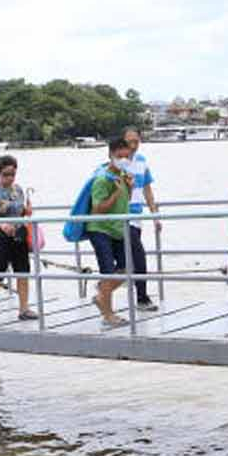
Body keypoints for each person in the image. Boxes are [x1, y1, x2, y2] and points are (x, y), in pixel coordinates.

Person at [0, 155, 36, 321]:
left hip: (18, 235)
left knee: (22, 271)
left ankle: (24, 308)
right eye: (6, 174)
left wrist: (26, 210)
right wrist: (2, 225)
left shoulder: (18, 190)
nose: (9, 178)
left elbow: (20, 210)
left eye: (12, 174)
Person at [85, 137, 135, 329]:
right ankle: (108, 315)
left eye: (126, 156)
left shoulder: (123, 176)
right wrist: (115, 192)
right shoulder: (102, 179)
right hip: (100, 229)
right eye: (119, 156)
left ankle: (101, 296)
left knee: (125, 269)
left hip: (118, 229)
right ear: (111, 155)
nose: (123, 159)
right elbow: (98, 209)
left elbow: (125, 201)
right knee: (108, 272)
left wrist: (128, 188)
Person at [122, 126, 159, 311]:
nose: (134, 145)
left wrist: (155, 216)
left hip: (137, 217)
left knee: (124, 260)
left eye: (136, 141)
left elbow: (147, 190)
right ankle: (142, 298)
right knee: (138, 256)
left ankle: (102, 290)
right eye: (130, 142)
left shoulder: (142, 161)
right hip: (121, 218)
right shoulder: (117, 163)